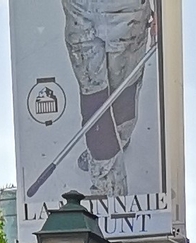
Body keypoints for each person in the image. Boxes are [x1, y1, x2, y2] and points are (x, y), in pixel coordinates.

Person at [61, 0, 156, 199]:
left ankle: (118, 140)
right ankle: (109, 184)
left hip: (124, 13)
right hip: (87, 10)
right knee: (96, 99)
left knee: (119, 92)